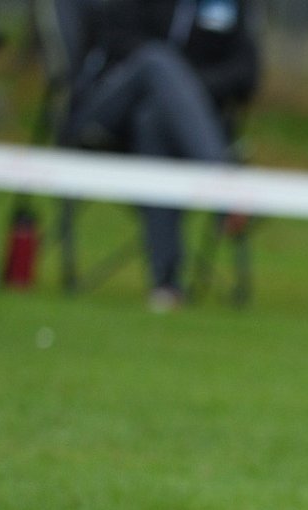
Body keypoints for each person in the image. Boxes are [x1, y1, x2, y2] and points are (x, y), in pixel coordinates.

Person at [65, 0, 259, 309]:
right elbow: (114, 44)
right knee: (157, 61)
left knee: (153, 121)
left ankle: (166, 284)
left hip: (168, 125)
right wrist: (177, 83)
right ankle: (225, 186)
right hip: (104, 116)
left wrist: (184, 91)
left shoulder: (228, 6)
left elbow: (246, 73)